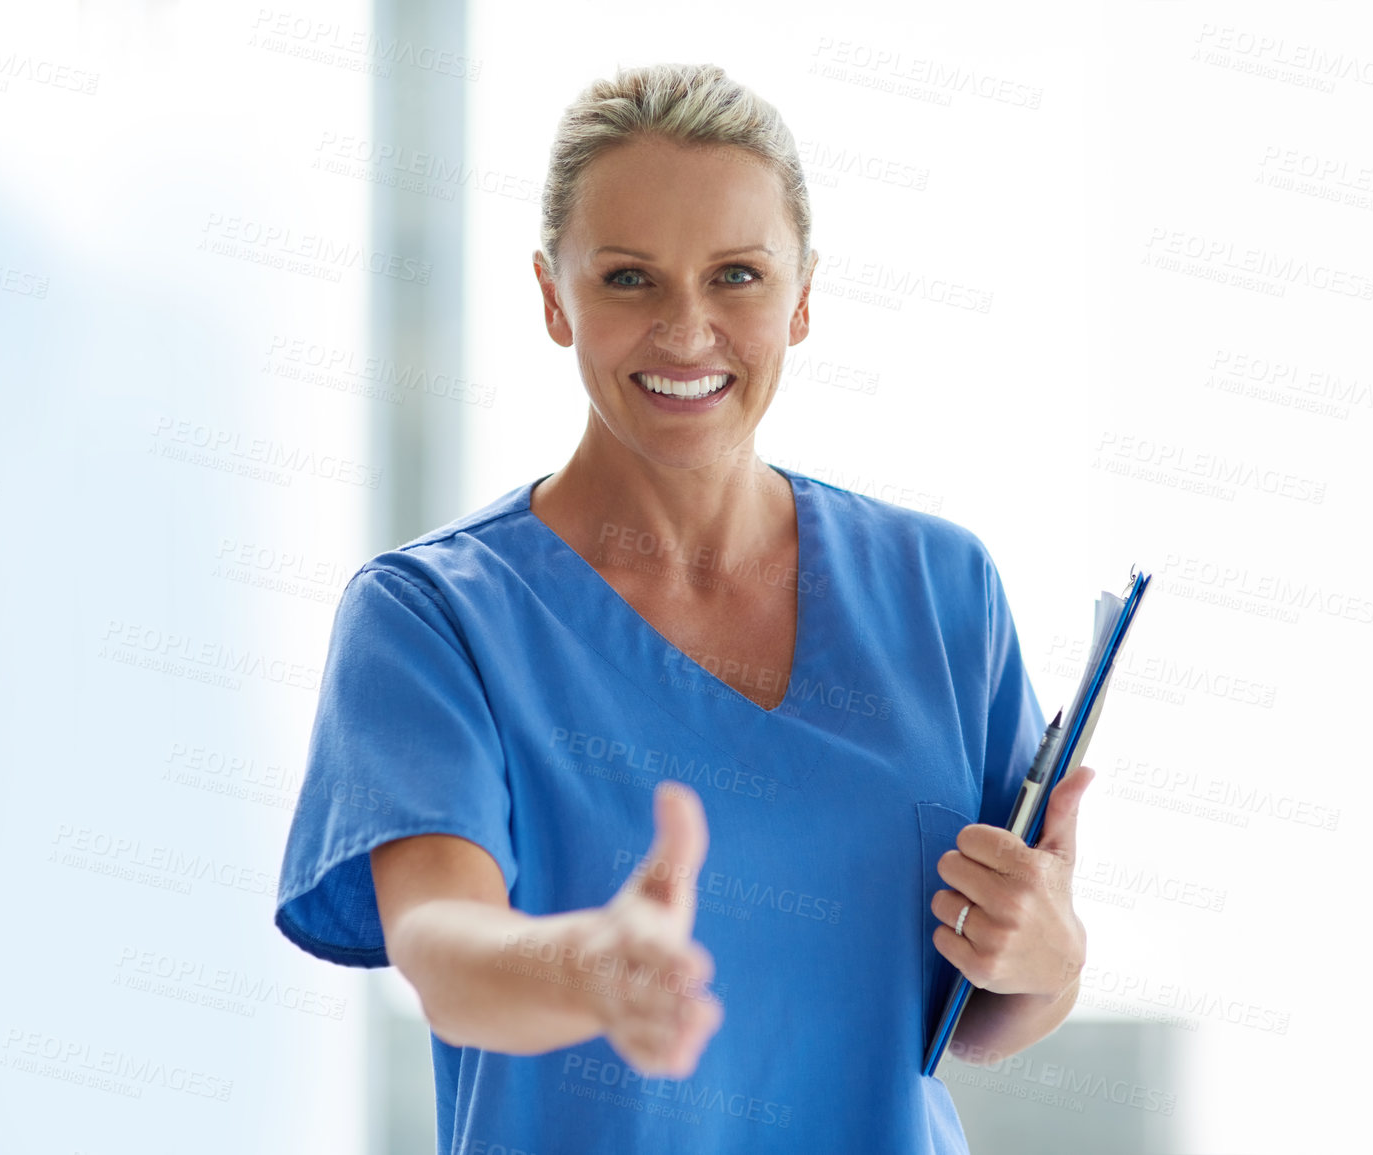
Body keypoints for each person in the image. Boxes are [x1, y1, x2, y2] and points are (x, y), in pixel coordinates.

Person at [274, 61, 1093, 1154]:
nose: (687, 331)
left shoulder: (941, 595)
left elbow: (977, 1014)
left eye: (738, 277)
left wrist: (1051, 959)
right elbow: (441, 949)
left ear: (803, 297)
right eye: (628, 279)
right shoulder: (436, 620)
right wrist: (590, 969)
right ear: (550, 296)